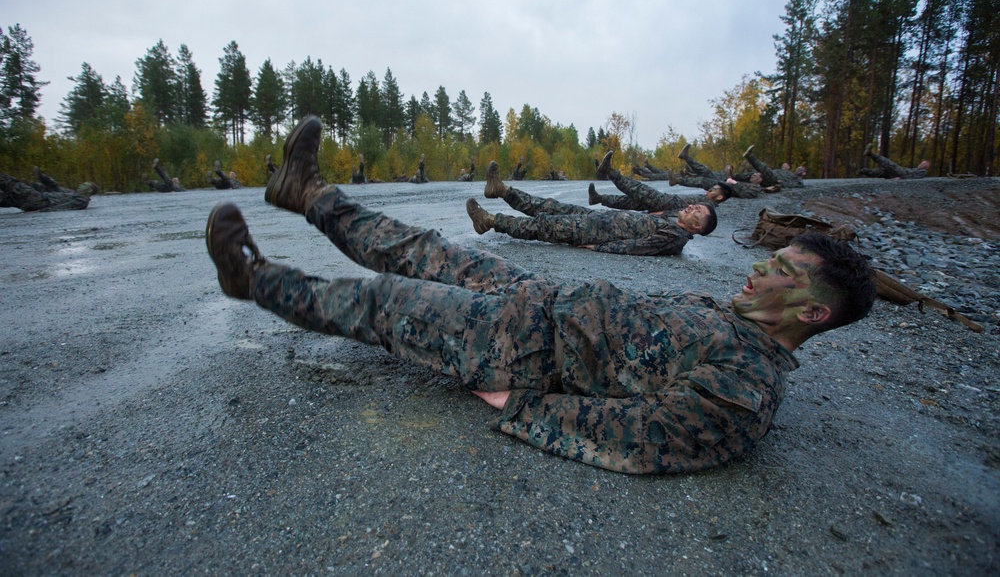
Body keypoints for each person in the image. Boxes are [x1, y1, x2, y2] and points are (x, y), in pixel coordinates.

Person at [207, 115, 877, 474]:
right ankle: (306, 193)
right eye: (772, 261)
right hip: (534, 297)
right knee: (417, 248)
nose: (759, 272)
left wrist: (524, 403)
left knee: (385, 301)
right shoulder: (733, 320)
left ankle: (251, 276)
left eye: (781, 273)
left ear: (813, 312)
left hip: (520, 345)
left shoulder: (744, 389)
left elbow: (642, 436)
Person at [465, 161, 716, 256]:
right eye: (696, 206)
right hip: (596, 218)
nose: (693, 207)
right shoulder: (673, 219)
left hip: (594, 232)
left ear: (698, 227)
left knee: (541, 225)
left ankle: (488, 220)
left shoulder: (677, 237)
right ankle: (502, 190)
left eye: (698, 212)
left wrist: (599, 247)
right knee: (549, 206)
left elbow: (639, 247)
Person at [588, 150, 732, 212]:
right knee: (631, 201)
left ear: (720, 197)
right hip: (665, 202)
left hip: (665, 203)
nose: (709, 190)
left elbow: (690, 214)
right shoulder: (707, 202)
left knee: (637, 189)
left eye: (714, 190)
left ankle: (609, 171)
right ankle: (598, 198)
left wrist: (665, 213)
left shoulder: (708, 207)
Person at [1, 167, 97, 212]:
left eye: (84, 185)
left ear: (89, 190)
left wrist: (45, 210)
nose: (81, 185)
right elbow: (54, 186)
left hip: (39, 201)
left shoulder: (82, 200)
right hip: (34, 201)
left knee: (8, 182)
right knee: (4, 199)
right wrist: (42, 176)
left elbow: (66, 207)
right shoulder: (71, 192)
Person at [859, 146, 930, 179]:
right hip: (901, 172)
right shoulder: (917, 169)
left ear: (927, 167)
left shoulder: (922, 172)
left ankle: (870, 154)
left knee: (888, 163)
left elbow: (913, 176)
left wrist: (900, 177)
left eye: (924, 164)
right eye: (922, 163)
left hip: (901, 172)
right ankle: (864, 171)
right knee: (881, 172)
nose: (921, 164)